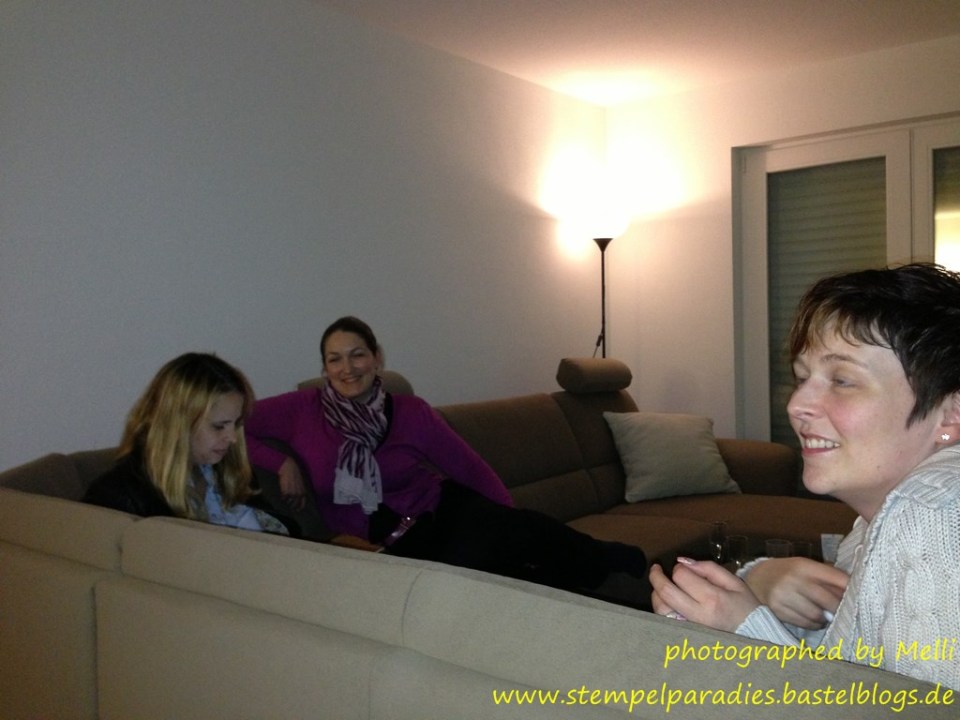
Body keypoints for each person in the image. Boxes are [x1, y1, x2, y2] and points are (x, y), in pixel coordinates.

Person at [649, 262, 960, 689]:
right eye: (802, 378)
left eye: (843, 380)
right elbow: (861, 658)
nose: (796, 406)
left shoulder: (931, 508)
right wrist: (760, 585)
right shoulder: (881, 519)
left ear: (951, 413)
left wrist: (745, 631)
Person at [244, 315, 647, 594]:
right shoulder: (302, 409)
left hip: (444, 510)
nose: (347, 367)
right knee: (496, 569)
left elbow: (468, 466)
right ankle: (594, 575)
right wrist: (282, 462)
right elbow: (234, 425)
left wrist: (506, 517)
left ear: (377, 358)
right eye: (335, 359)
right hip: (394, 543)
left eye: (357, 354)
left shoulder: (410, 412)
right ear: (324, 368)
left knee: (525, 533)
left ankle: (610, 561)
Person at [84, 352, 291, 535]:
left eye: (236, 424)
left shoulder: (230, 470)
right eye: (219, 426)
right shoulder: (118, 496)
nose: (233, 438)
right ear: (177, 425)